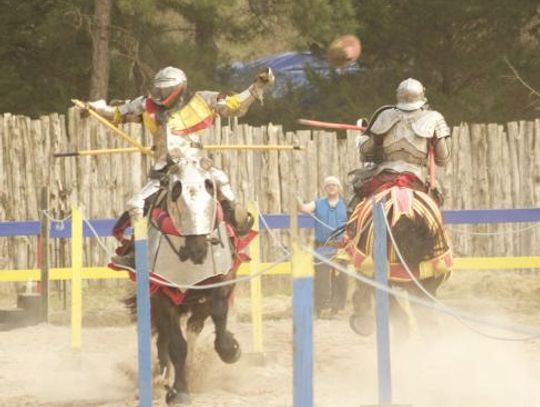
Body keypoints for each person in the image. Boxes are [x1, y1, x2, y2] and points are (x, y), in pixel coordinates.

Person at [84, 66, 274, 266]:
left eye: (164, 90)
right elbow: (118, 112)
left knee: (221, 181)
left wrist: (257, 86)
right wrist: (92, 108)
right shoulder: (146, 104)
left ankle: (236, 229)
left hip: (196, 163)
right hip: (165, 169)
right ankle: (136, 253)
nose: (159, 94)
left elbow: (234, 106)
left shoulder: (203, 99)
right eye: (158, 90)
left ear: (177, 89)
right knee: (136, 204)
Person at [349, 77, 451, 211]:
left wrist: (362, 141)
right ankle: (439, 231)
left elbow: (366, 152)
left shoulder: (385, 115)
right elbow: (442, 159)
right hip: (416, 177)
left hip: (386, 174)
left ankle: (350, 230)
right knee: (436, 201)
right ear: (422, 94)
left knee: (357, 190)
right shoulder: (434, 118)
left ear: (398, 95)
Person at [298, 176, 348, 318]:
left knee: (340, 279)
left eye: (334, 185)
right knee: (321, 278)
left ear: (339, 188)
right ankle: (321, 308)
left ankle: (336, 309)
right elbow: (303, 208)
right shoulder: (318, 203)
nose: (331, 187)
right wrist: (297, 201)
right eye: (329, 185)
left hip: (341, 248)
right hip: (322, 247)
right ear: (325, 189)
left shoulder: (346, 205)